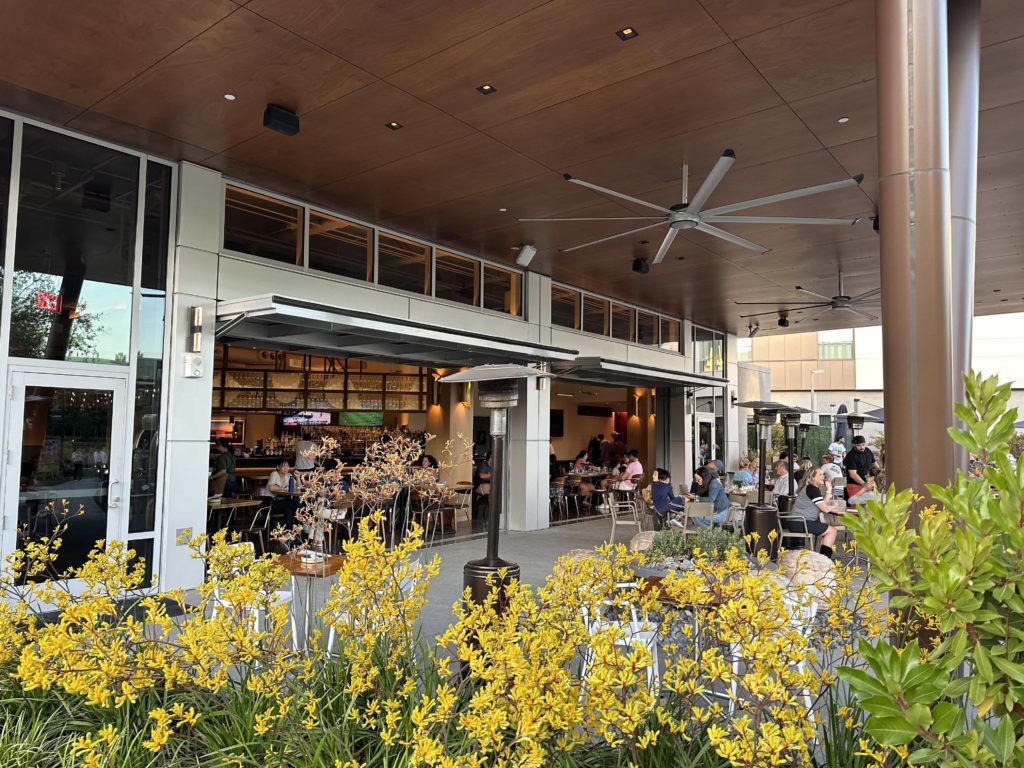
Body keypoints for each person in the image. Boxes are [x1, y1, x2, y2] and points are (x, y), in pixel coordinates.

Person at [782, 467, 839, 559]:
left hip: (796, 521)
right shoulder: (812, 489)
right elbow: (825, 509)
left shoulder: (811, 488)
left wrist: (828, 489)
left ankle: (822, 557)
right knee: (832, 531)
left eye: (823, 474)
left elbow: (822, 505)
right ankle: (825, 558)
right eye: (820, 474)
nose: (823, 476)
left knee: (827, 530)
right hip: (800, 522)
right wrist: (834, 506)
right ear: (812, 477)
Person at [266, 458, 302, 527]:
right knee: (289, 508)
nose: (286, 468)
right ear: (277, 467)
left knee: (298, 506)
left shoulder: (289, 476)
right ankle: (288, 532)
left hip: (284, 501)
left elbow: (298, 489)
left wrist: (298, 478)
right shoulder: (274, 474)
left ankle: (292, 530)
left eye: (287, 466)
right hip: (272, 502)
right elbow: (271, 487)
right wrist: (283, 488)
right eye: (283, 466)